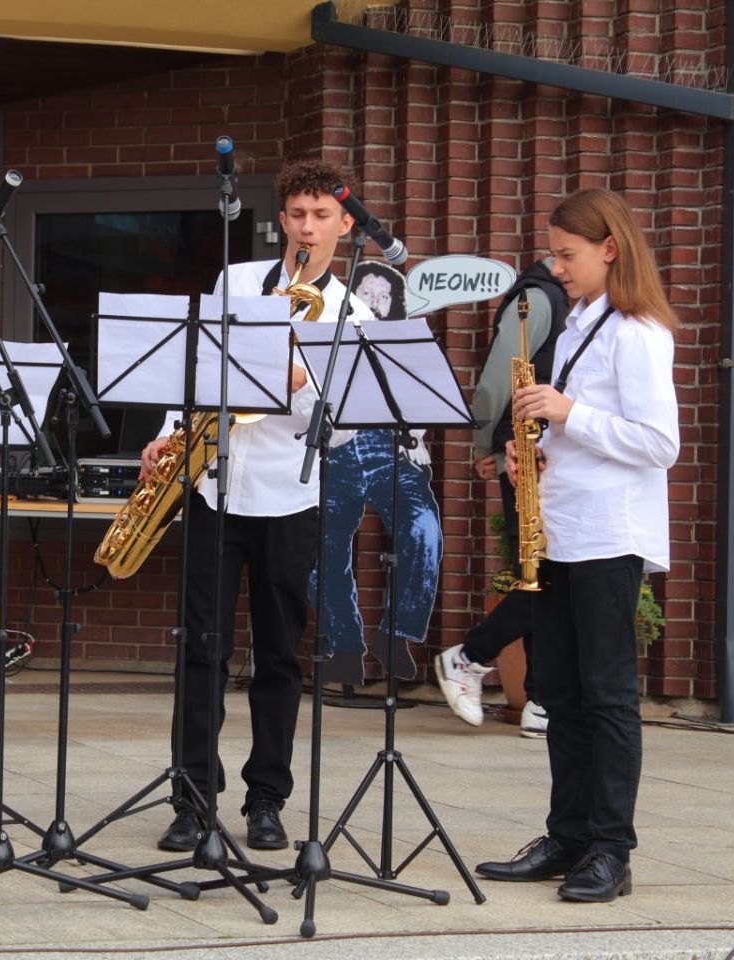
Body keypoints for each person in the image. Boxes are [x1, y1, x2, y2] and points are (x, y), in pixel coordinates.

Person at [141, 159, 362, 852]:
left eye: (321, 215)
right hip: (213, 484)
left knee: (278, 657)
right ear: (282, 220)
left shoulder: (352, 313)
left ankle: (267, 800)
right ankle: (192, 799)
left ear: (344, 225)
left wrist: (295, 381)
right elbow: (196, 370)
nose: (307, 227)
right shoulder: (239, 281)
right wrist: (167, 436)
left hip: (291, 494)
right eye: (297, 214)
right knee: (200, 650)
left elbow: (345, 423)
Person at [474, 189, 679, 903]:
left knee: (607, 693)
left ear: (610, 250)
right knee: (558, 689)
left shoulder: (639, 331)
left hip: (609, 534)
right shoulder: (582, 322)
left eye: (567, 255)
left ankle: (610, 849)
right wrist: (532, 448)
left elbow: (660, 444)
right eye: (554, 253)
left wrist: (568, 411)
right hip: (558, 530)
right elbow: (579, 431)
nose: (555, 267)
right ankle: (566, 835)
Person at [435, 258, 569, 735]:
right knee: (546, 574)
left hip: (550, 453)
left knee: (544, 572)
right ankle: (471, 658)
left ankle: (542, 700)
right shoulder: (539, 297)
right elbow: (497, 379)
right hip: (525, 456)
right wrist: (486, 443)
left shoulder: (571, 301)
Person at [316, 259, 440, 686]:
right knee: (320, 545)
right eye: (364, 293)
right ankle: (345, 646)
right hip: (341, 452)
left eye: (382, 295)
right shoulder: (331, 341)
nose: (372, 301)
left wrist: (415, 439)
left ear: (395, 304)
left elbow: (424, 409)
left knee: (424, 529)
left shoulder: (407, 348)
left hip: (393, 453)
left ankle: (396, 634)